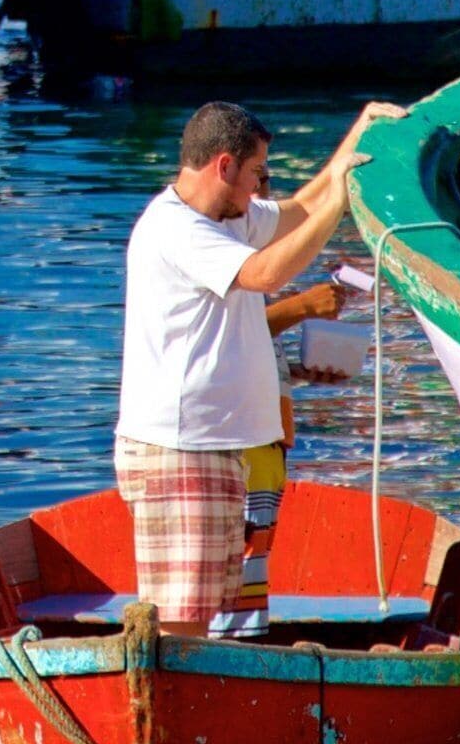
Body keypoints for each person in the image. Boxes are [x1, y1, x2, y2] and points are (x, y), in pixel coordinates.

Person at [118, 98, 405, 636]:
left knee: (211, 613)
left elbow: (301, 204)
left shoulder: (231, 218)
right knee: (184, 623)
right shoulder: (178, 229)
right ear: (224, 166)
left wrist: (357, 137)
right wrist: (337, 208)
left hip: (215, 450)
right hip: (184, 451)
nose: (260, 187)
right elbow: (269, 273)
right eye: (256, 173)